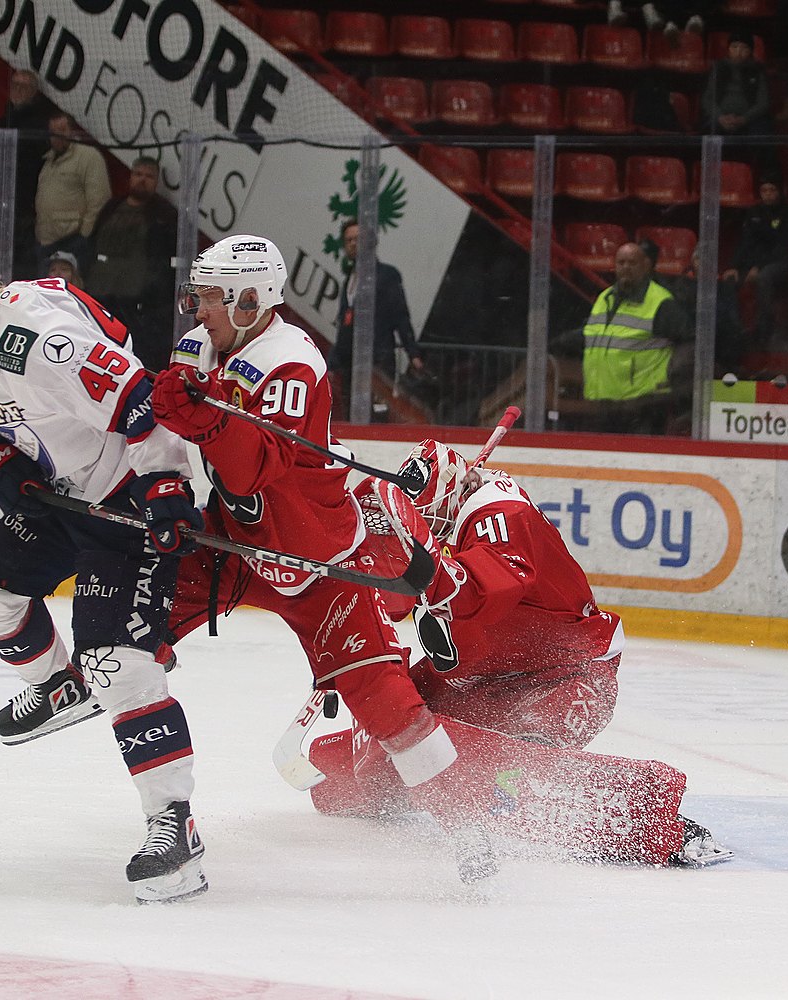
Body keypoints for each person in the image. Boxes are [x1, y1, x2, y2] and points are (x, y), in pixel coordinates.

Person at [152, 235, 681, 881]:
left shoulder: (498, 513)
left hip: (565, 673)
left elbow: (474, 600)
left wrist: (414, 563)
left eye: (210, 297)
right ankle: (454, 786)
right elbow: (417, 606)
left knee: (477, 739)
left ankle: (517, 809)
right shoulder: (443, 518)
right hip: (487, 669)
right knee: (378, 744)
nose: (198, 311)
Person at [0, 240, 208, 903]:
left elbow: (144, 404)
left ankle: (176, 828)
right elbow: (30, 422)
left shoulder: (36, 341)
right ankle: (60, 684)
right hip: (70, 498)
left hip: (127, 496)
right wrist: (4, 458)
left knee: (118, 664)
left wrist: (169, 485)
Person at [299, 441, 731, 868]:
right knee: (390, 734)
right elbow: (403, 608)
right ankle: (359, 774)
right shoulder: (459, 530)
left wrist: (423, 566)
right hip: (493, 680)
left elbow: (483, 588)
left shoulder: (500, 513)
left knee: (518, 768)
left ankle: (653, 824)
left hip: (569, 679)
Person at [575, 240, 692, 434]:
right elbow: (594, 335)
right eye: (621, 263)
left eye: (632, 263)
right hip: (604, 401)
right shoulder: (605, 298)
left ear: (646, 266)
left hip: (643, 404)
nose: (626, 268)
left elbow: (688, 340)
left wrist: (674, 376)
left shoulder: (661, 302)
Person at [86, 155, 178, 373]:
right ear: (130, 177)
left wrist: (152, 292)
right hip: (102, 292)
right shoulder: (112, 207)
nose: (142, 180)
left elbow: (167, 262)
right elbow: (92, 244)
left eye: (149, 176)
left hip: (140, 303)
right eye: (138, 174)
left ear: (156, 182)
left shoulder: (164, 215)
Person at [328, 218, 425, 404]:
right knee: (351, 413)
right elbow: (344, 326)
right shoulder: (349, 279)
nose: (353, 244)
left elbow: (400, 316)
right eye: (349, 240)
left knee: (376, 413)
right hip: (351, 362)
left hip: (378, 360)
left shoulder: (386, 276)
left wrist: (413, 353)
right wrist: (332, 363)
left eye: (358, 238)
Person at [721, 173, 788, 347]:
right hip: (752, 264)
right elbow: (744, 242)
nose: (768, 194)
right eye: (764, 190)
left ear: (780, 191)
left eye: (772, 190)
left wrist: (758, 267)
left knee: (764, 278)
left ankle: (764, 330)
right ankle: (734, 330)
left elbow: (783, 247)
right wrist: (734, 266)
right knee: (728, 279)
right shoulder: (754, 212)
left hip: (779, 263)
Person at [35, 111, 110, 278]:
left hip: (73, 241)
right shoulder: (48, 161)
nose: (57, 136)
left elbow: (99, 200)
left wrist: (83, 236)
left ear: (72, 131)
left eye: (62, 130)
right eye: (53, 132)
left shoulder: (88, 157)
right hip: (46, 242)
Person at [0, 68, 54, 280]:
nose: (18, 90)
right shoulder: (5, 121)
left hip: (27, 209)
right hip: (1, 204)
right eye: (15, 85)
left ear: (34, 92)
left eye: (24, 86)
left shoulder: (39, 125)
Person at [702, 30, 773, 140]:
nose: (738, 52)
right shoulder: (718, 68)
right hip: (720, 117)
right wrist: (720, 117)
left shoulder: (757, 70)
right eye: (734, 47)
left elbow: (763, 103)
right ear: (728, 49)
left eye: (744, 48)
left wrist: (743, 119)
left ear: (750, 51)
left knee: (761, 132)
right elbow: (707, 99)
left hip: (750, 119)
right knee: (709, 130)